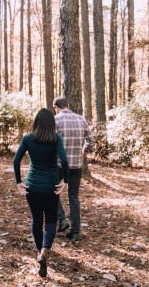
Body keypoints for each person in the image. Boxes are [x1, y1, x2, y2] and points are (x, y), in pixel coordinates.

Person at [13, 108, 69, 278]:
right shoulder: (56, 139)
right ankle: (45, 250)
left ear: (36, 121)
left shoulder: (28, 138)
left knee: (37, 220)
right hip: (50, 186)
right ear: (52, 123)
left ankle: (39, 253)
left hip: (32, 187)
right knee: (51, 220)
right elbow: (64, 161)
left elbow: (16, 160)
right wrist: (65, 181)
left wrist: (19, 182)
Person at [53, 97, 94, 242]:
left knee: (53, 192)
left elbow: (50, 141)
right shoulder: (81, 119)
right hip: (76, 165)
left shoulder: (55, 120)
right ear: (68, 105)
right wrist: (83, 152)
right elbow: (91, 140)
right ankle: (75, 232)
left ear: (56, 107)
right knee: (74, 197)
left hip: (59, 164)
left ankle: (62, 219)